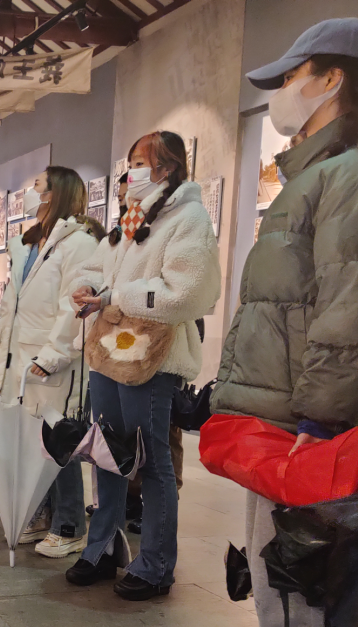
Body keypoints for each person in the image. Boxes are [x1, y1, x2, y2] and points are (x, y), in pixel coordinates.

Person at [206, 18, 358, 627]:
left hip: (310, 423)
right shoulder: (314, 174)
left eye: (289, 76)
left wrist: (324, 415)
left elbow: (353, 309)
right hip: (277, 417)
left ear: (332, 77)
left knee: (303, 572)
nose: (280, 92)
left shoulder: (353, 175)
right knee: (273, 564)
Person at [68, 131, 220, 600]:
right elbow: (101, 265)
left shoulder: (189, 218)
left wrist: (115, 297)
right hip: (109, 347)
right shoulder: (134, 215)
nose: (130, 171)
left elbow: (188, 293)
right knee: (107, 452)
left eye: (139, 162)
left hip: (153, 356)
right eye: (130, 162)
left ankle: (155, 564)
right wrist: (87, 287)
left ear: (166, 168)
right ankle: (102, 548)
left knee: (151, 461)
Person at [0, 167, 103, 557]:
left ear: (56, 193)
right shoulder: (29, 244)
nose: (30, 191)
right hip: (22, 358)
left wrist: (54, 354)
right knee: (31, 440)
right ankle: (40, 514)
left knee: (59, 439)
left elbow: (72, 306)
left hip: (53, 359)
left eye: (37, 185)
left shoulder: (79, 244)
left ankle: (69, 524)